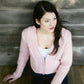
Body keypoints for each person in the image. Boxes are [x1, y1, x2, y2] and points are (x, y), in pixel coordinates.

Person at [3, 1, 73, 84]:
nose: (52, 24)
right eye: (47, 21)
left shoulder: (65, 35)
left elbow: (66, 63)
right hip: (37, 75)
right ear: (38, 21)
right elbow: (23, 55)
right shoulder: (27, 34)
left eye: (54, 19)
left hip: (58, 76)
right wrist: (17, 73)